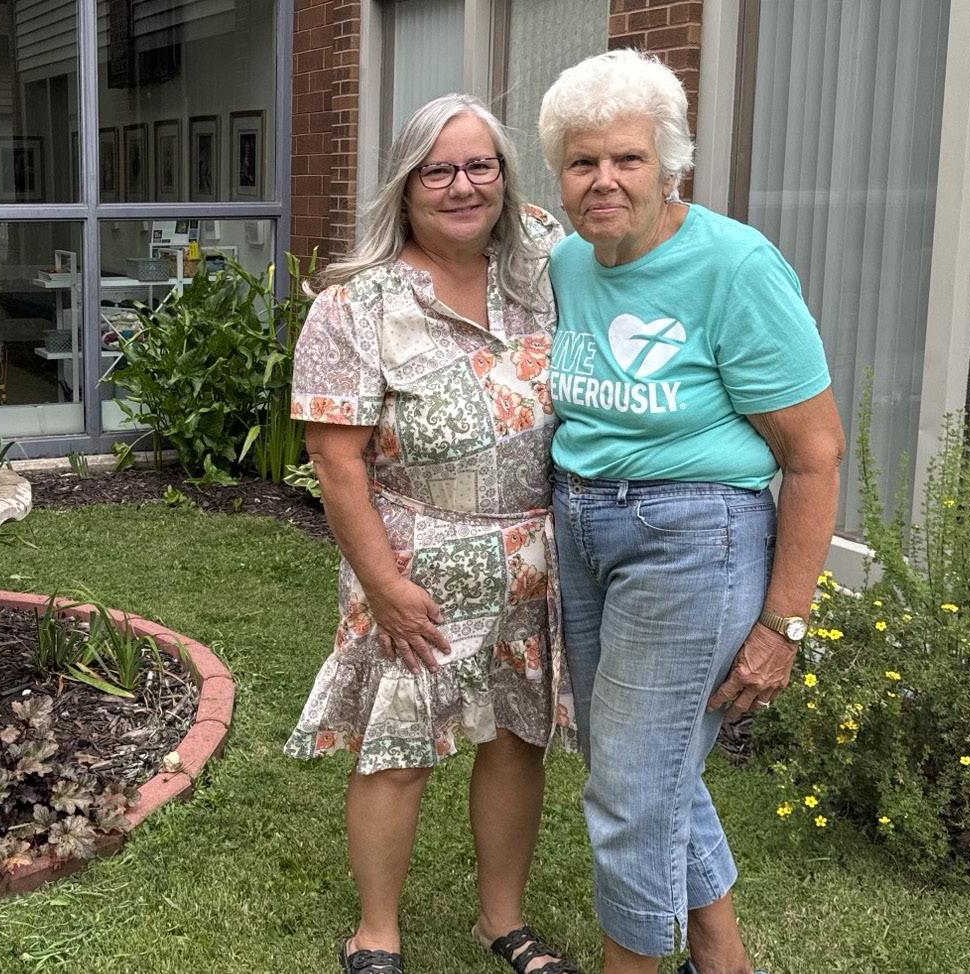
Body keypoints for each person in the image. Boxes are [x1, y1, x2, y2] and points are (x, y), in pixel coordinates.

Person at [537, 50, 845, 974]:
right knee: (643, 764)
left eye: (627, 158)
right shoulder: (569, 264)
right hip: (583, 529)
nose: (604, 180)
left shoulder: (735, 266)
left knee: (631, 791)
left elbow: (815, 453)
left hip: (691, 538)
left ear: (668, 164)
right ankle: (724, 961)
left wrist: (784, 624)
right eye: (583, 161)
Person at [286, 93, 577, 974]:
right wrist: (382, 585)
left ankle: (503, 922)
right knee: (397, 747)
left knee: (516, 740)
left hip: (533, 564)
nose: (462, 186)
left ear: (506, 177)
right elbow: (336, 461)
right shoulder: (355, 306)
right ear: (405, 187)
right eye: (438, 170)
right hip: (415, 569)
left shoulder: (544, 273)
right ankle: (376, 931)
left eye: (480, 165)